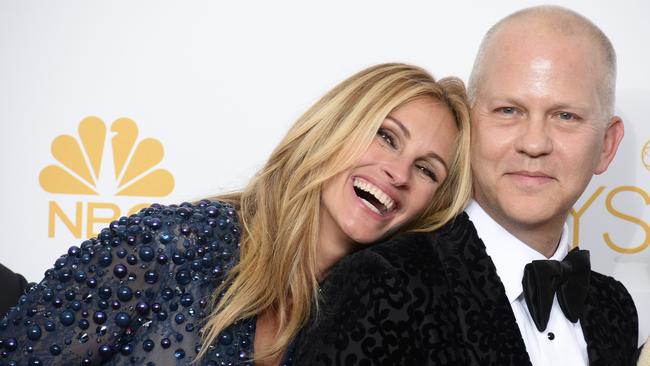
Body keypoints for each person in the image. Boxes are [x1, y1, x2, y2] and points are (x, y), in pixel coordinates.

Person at [0, 63, 472, 365]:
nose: (398, 172)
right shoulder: (176, 244)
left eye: (427, 170)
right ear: (335, 127)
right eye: (387, 136)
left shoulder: (371, 324)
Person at [293, 6, 639, 366]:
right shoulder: (384, 280)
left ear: (607, 146)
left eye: (566, 116)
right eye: (508, 110)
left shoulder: (615, 307)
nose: (534, 143)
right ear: (470, 125)